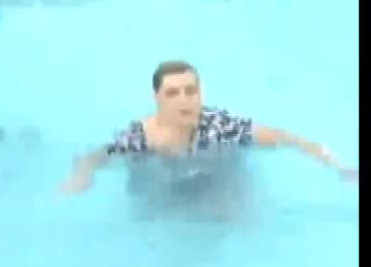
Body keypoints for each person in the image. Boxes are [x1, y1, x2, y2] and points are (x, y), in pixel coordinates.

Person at [60, 61, 357, 194]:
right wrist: (81, 176)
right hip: (163, 178)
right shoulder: (141, 137)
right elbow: (93, 157)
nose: (184, 100)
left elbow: (284, 138)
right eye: (173, 93)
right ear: (157, 99)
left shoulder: (219, 126)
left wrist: (337, 166)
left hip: (215, 173)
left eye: (191, 91)